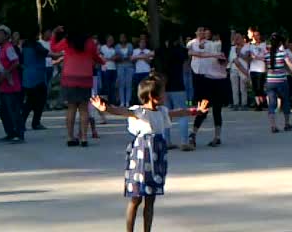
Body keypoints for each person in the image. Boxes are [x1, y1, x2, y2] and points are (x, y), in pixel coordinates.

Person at [89, 77, 209, 232]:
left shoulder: (162, 111)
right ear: (153, 96)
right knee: (136, 198)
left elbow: (177, 112)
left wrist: (194, 111)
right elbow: (122, 111)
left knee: (150, 199)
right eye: (162, 92)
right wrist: (105, 108)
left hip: (157, 155)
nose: (165, 95)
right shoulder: (140, 112)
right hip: (141, 155)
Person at [51, 25, 104, 146]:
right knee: (84, 108)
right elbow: (95, 56)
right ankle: (84, 138)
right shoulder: (90, 42)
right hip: (85, 77)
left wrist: (54, 34)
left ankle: (70, 137)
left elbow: (54, 49)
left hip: (69, 77)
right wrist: (102, 62)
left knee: (71, 108)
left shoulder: (67, 41)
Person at [0, 25, 25, 144]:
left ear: (6, 36)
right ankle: (10, 133)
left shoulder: (8, 48)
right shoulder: (2, 48)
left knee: (13, 111)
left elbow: (16, 62)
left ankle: (18, 134)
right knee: (4, 112)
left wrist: (6, 73)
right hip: (4, 86)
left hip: (12, 85)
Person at [154, 35, 192, 151]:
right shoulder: (180, 51)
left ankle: (166, 141)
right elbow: (187, 63)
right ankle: (184, 142)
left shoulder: (159, 51)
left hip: (163, 87)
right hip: (178, 85)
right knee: (182, 114)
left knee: (164, 115)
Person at [190, 33, 227, 148]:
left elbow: (223, 61)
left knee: (214, 109)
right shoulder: (208, 47)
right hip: (211, 80)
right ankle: (195, 134)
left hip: (216, 81)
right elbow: (196, 51)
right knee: (205, 109)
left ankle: (216, 136)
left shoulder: (220, 50)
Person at [22, 27, 61, 130]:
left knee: (30, 100)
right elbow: (52, 55)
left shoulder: (24, 45)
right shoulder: (36, 46)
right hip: (37, 78)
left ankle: (23, 122)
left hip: (27, 76)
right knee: (39, 101)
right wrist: (62, 54)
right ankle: (35, 122)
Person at [264, 33, 292, 133]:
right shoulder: (282, 54)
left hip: (270, 81)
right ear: (280, 43)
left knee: (272, 104)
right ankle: (286, 124)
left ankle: (273, 125)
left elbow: (265, 69)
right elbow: (290, 65)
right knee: (285, 102)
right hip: (281, 81)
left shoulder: (267, 55)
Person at [228, 32, 250, 110]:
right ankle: (236, 104)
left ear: (242, 38)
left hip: (244, 69)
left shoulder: (248, 47)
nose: (236, 39)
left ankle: (244, 104)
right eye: (235, 38)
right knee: (235, 88)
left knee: (243, 88)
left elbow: (249, 59)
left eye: (238, 38)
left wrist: (241, 54)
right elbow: (235, 61)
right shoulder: (233, 48)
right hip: (234, 70)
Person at [248, 27, 268, 111]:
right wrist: (250, 57)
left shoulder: (264, 45)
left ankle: (262, 102)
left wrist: (258, 57)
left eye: (257, 35)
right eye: (254, 35)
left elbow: (266, 56)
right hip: (253, 68)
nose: (256, 37)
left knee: (260, 87)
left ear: (260, 36)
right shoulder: (250, 46)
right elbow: (248, 57)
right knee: (255, 87)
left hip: (261, 68)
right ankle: (258, 104)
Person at [132, 39, 155, 105]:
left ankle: (147, 102)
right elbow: (133, 60)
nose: (142, 44)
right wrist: (143, 56)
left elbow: (149, 61)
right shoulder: (135, 51)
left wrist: (139, 57)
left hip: (146, 72)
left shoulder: (148, 51)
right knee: (138, 88)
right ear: (139, 44)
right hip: (138, 72)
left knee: (147, 88)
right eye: (141, 43)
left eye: (144, 43)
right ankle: (138, 102)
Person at [116, 34, 134, 107]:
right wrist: (124, 58)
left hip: (129, 66)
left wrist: (124, 58)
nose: (122, 39)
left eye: (123, 37)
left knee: (128, 84)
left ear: (126, 38)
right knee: (121, 84)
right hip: (120, 66)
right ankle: (122, 102)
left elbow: (131, 55)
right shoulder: (117, 46)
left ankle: (127, 101)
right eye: (121, 38)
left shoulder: (130, 45)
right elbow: (117, 56)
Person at [100, 35, 118, 105]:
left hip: (113, 69)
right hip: (105, 69)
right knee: (106, 86)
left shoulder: (114, 49)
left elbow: (116, 58)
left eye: (112, 39)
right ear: (107, 40)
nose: (111, 41)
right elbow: (101, 58)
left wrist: (107, 58)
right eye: (110, 39)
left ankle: (112, 101)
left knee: (112, 86)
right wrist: (111, 58)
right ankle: (106, 102)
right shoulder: (102, 48)